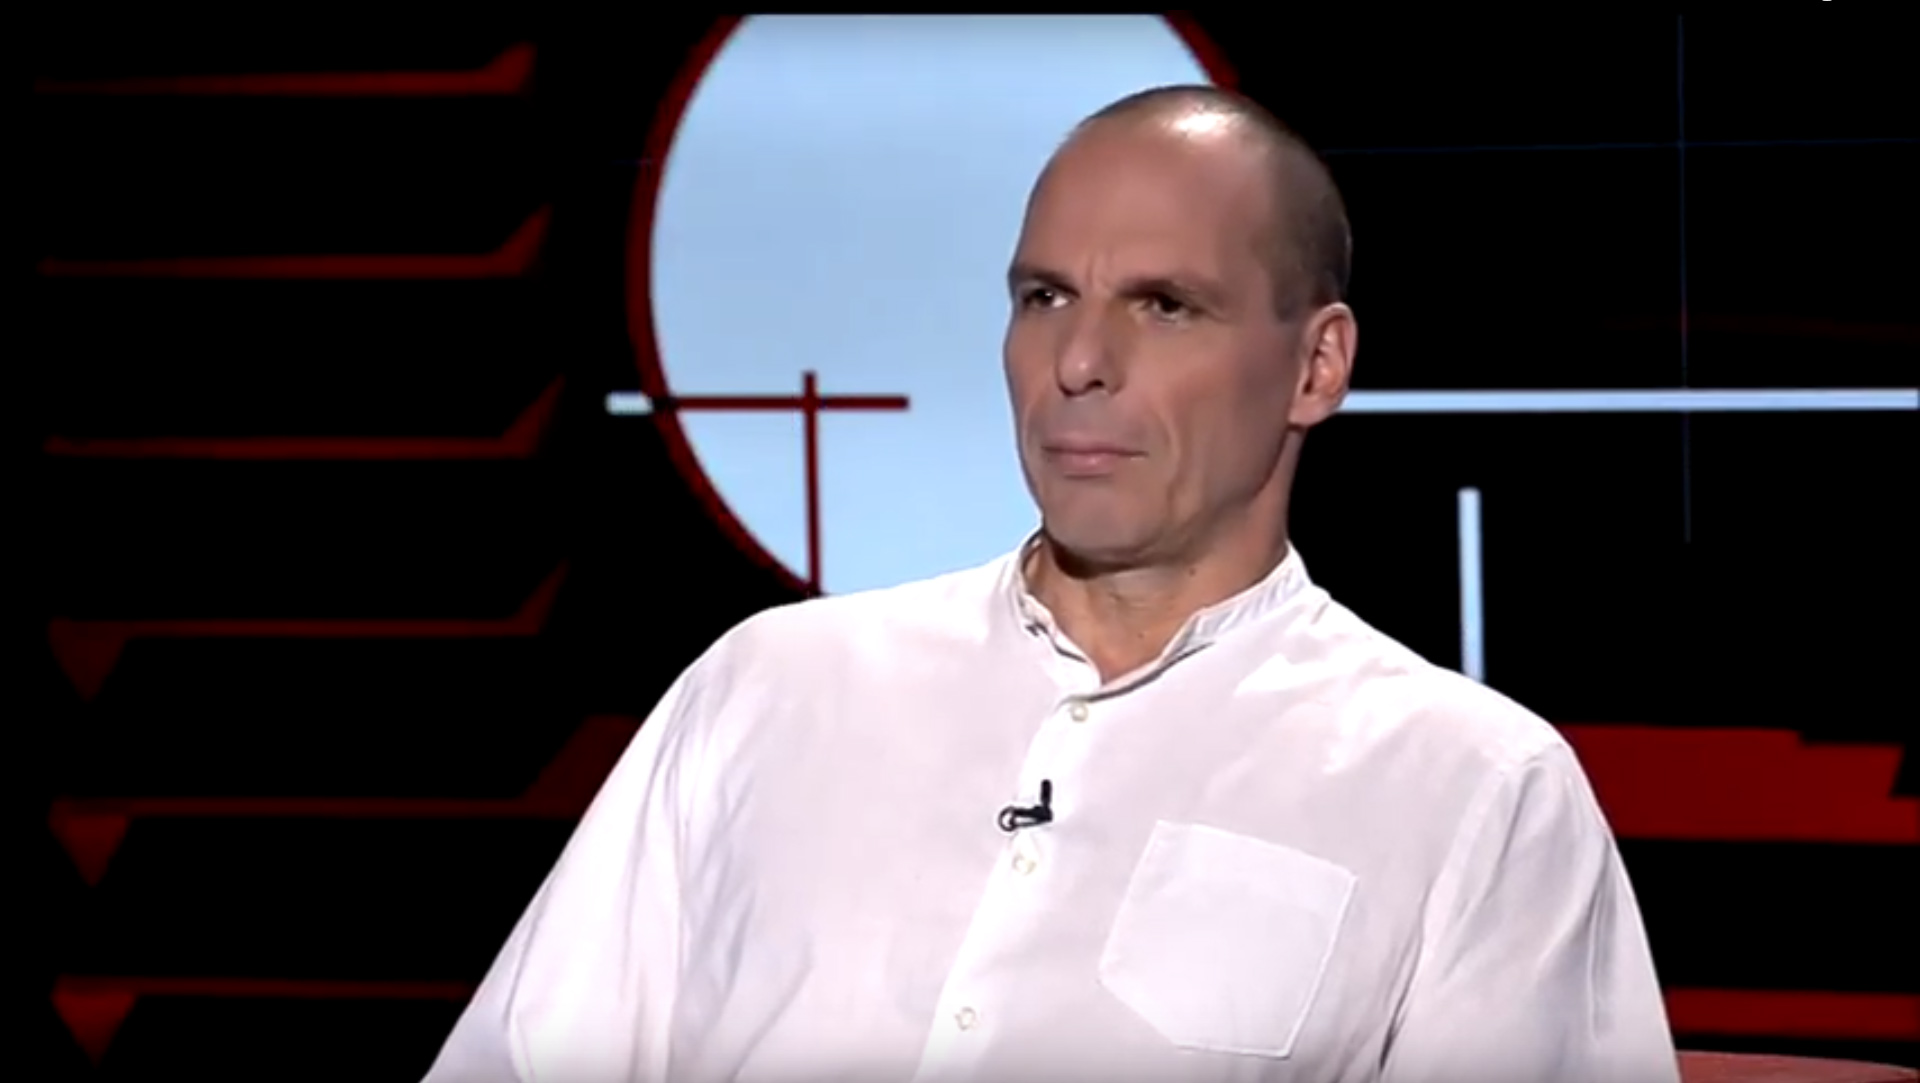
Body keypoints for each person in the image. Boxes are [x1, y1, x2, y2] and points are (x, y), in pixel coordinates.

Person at [421, 85, 1680, 1083]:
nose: (1078, 360)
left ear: (1316, 368)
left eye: (1165, 306)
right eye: (1045, 297)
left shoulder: (1470, 788)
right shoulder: (768, 687)